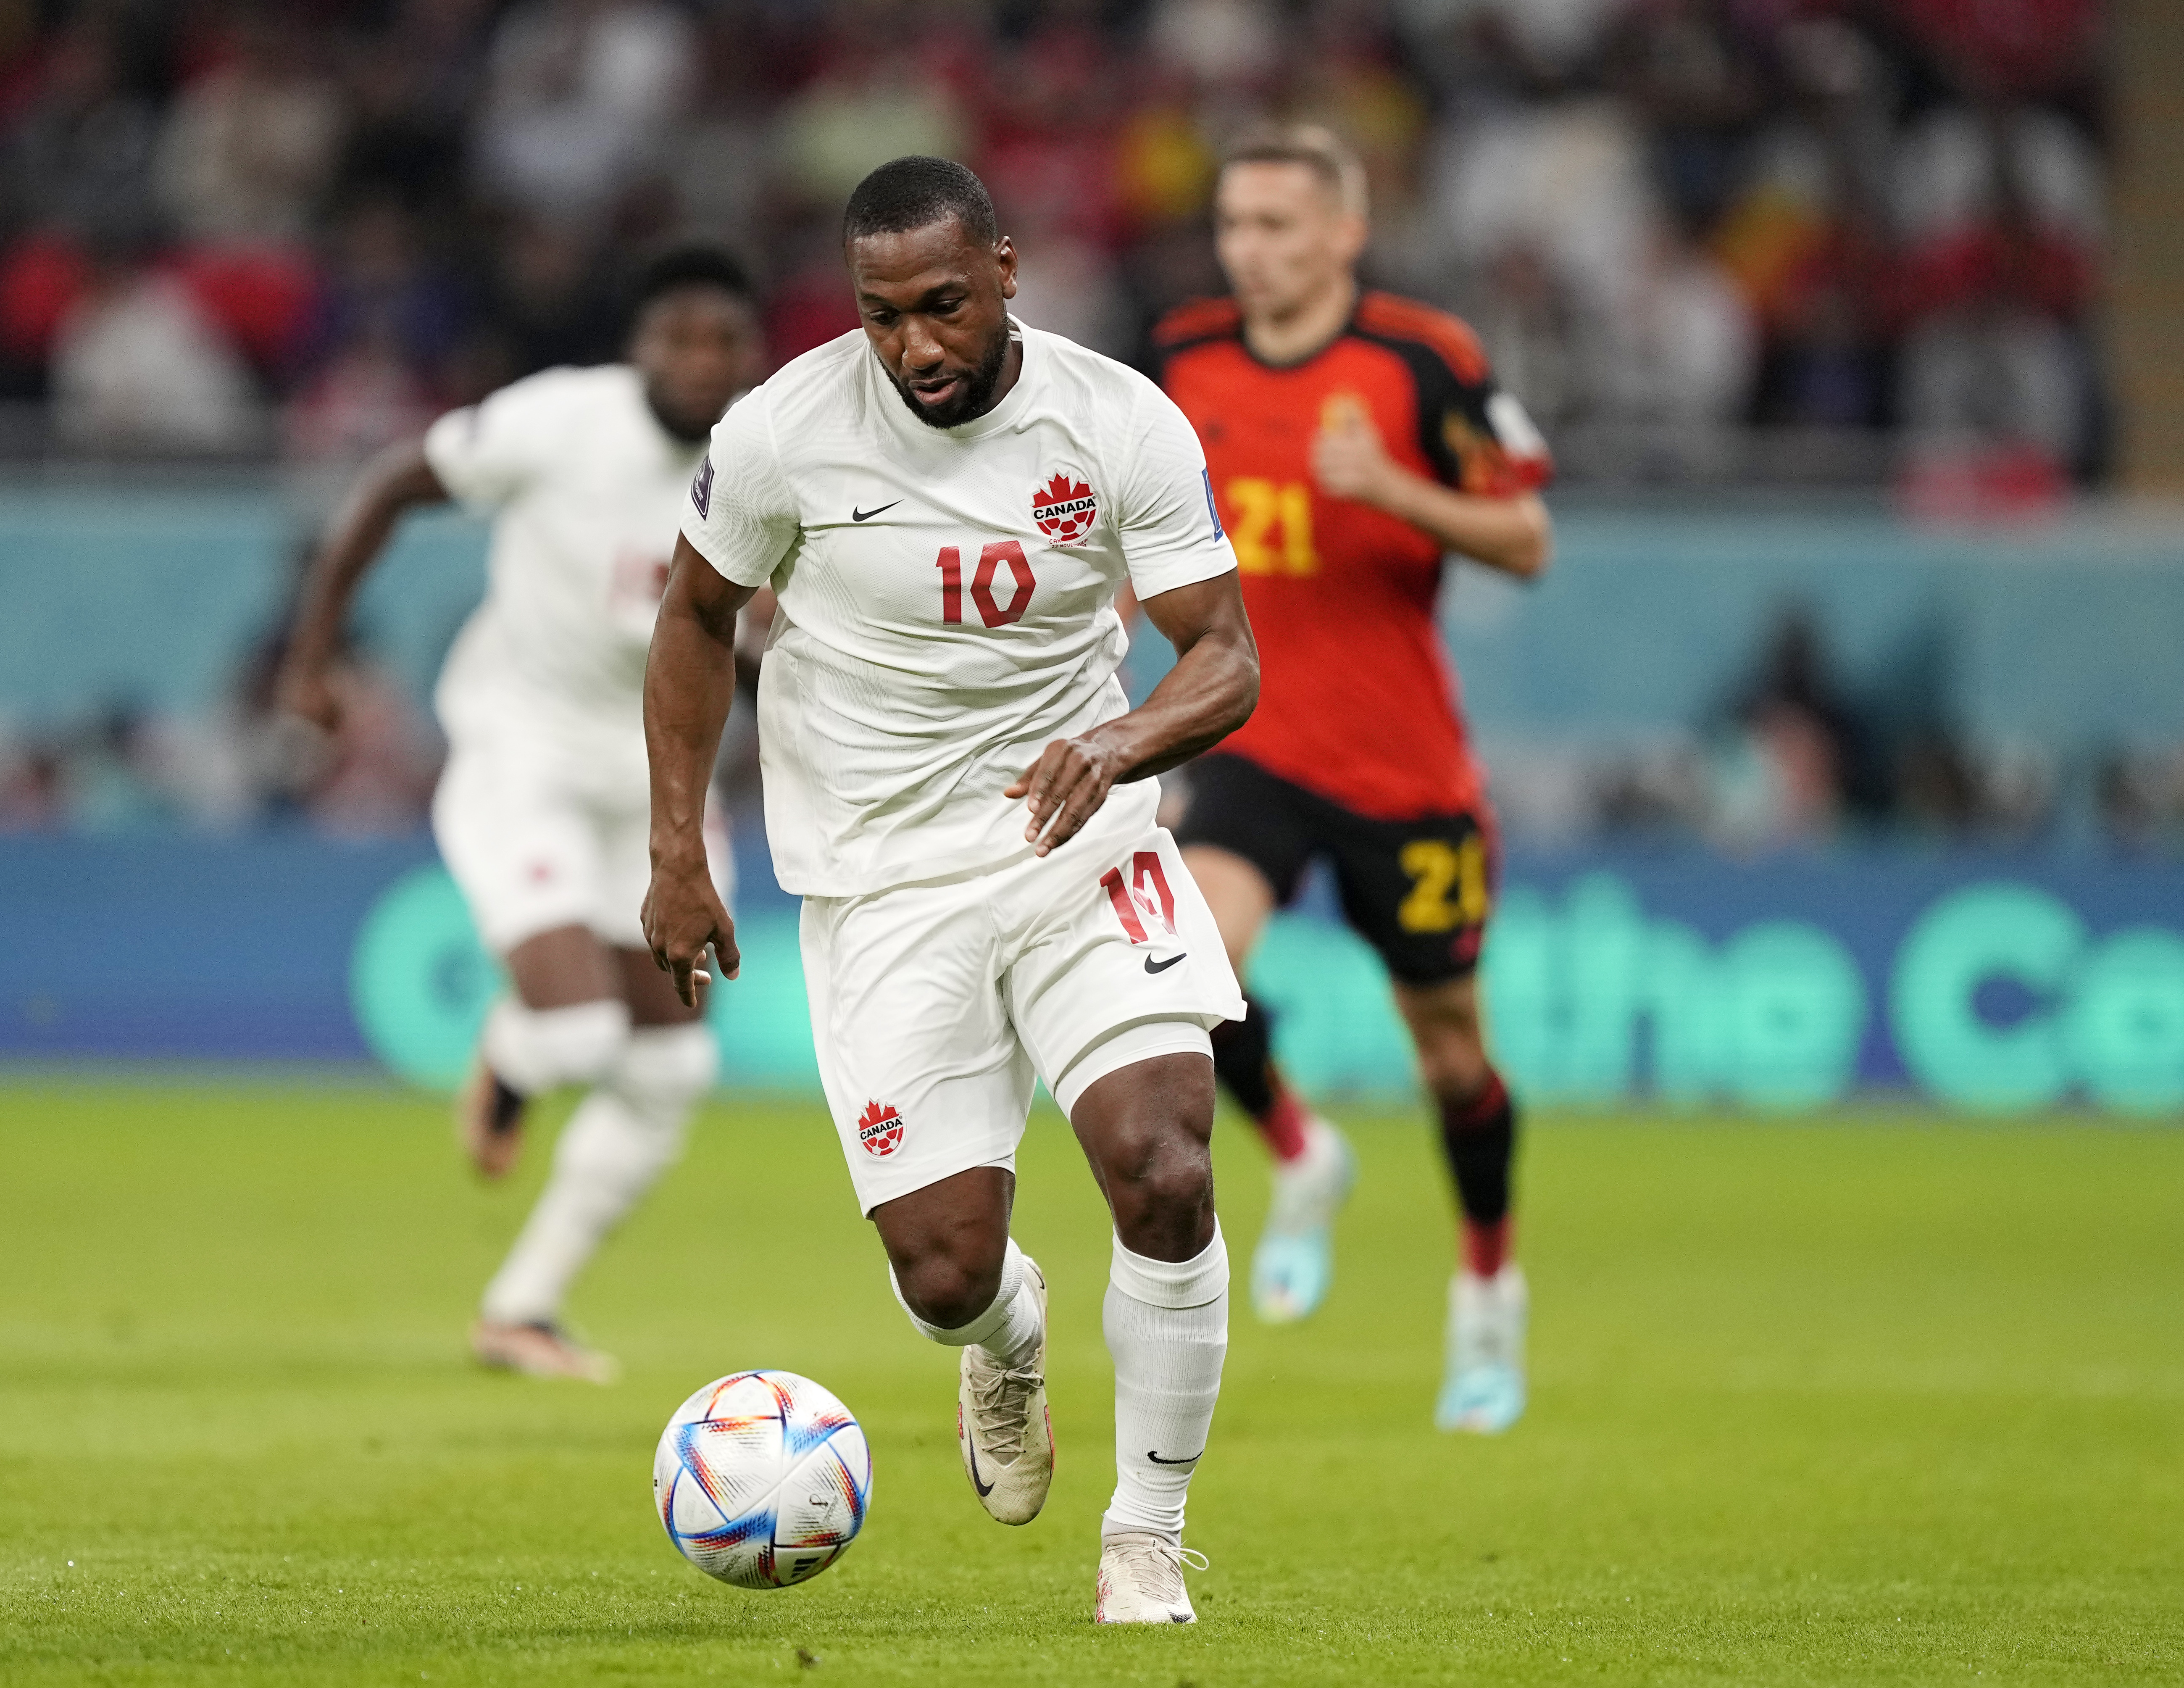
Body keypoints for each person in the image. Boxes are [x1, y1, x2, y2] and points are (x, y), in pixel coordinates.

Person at [643, 155, 1259, 1625]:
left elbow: (1225, 655)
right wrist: (677, 850)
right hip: (880, 881)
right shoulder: (784, 432)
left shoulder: (1118, 423)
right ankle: (1012, 1336)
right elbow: (692, 618)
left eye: (940, 305)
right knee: (942, 1274)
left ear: (1005, 272)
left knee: (1168, 1168)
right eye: (880, 315)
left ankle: (1146, 1539)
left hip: (1077, 841)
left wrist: (1119, 739)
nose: (914, 344)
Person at [279, 245, 763, 1382]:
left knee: (671, 1076)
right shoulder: (558, 424)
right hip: (524, 751)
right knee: (579, 1034)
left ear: (749, 357)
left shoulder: (768, 459)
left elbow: (771, 635)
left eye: (723, 344)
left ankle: (522, 1308)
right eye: (678, 339)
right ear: (636, 345)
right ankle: (507, 1062)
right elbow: (397, 482)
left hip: (661, 783)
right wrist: (315, 658)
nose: (700, 363)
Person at [1156, 124, 1554, 1433]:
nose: (1252, 251)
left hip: (1402, 770)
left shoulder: (1422, 362)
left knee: (1452, 1061)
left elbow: (1528, 541)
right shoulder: (1182, 360)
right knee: (1188, 966)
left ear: (1344, 233)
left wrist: (1391, 484)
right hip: (1249, 738)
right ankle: (1298, 1150)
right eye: (1236, 225)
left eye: (1279, 226)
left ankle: (1487, 1293)